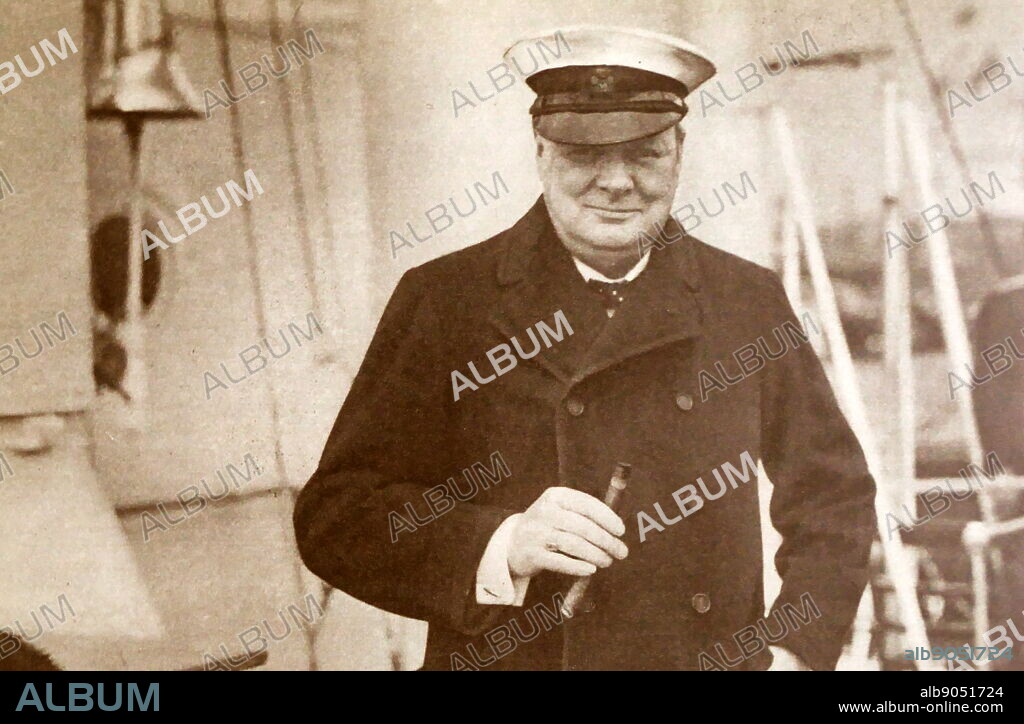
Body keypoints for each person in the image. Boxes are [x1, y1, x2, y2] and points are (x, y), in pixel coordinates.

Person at [294, 26, 877, 671]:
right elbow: (337, 518)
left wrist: (796, 649)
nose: (618, 182)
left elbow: (834, 493)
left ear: (679, 149)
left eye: (646, 153)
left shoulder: (746, 299)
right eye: (583, 153)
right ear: (540, 150)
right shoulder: (447, 301)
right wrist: (502, 543)